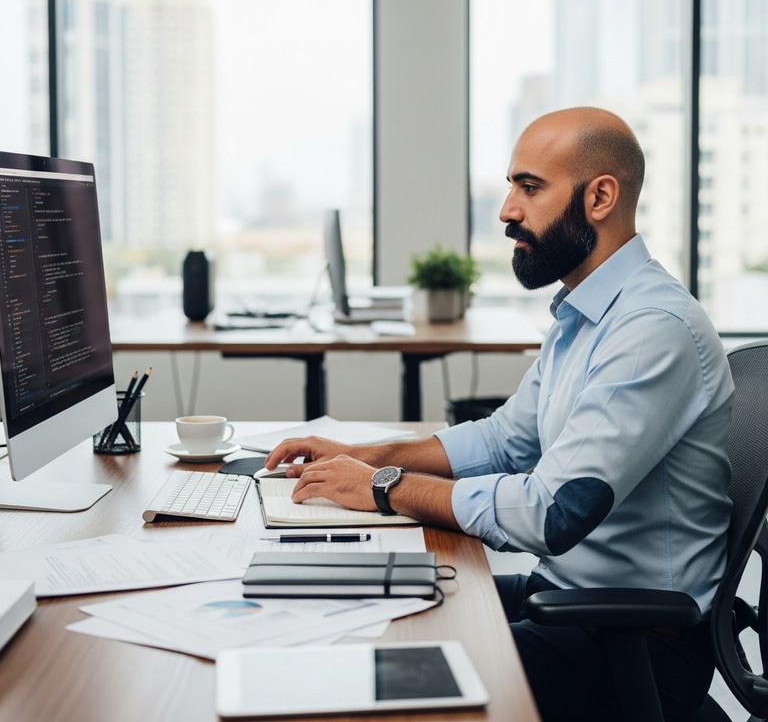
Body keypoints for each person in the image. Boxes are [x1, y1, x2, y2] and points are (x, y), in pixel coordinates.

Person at [265, 107, 734, 721]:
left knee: (378, 675)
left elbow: (552, 512)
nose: (508, 210)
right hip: (566, 600)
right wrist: (367, 458)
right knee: (355, 610)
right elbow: (505, 440)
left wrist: (384, 487)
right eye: (513, 185)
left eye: (530, 188)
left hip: (632, 645)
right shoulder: (585, 312)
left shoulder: (651, 328)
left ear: (600, 197)